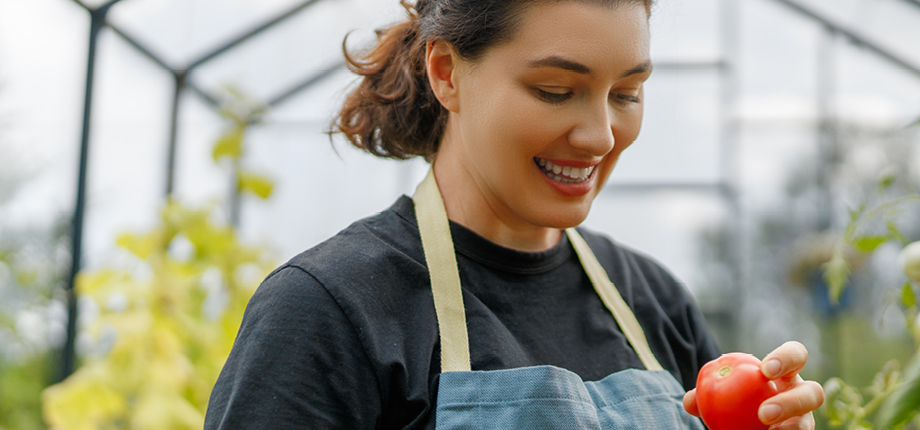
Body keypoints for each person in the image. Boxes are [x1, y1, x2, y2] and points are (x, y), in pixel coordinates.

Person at [203, 0, 824, 428]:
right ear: (446, 73)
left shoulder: (654, 301)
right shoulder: (331, 310)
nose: (600, 135)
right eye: (556, 91)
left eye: (627, 94)